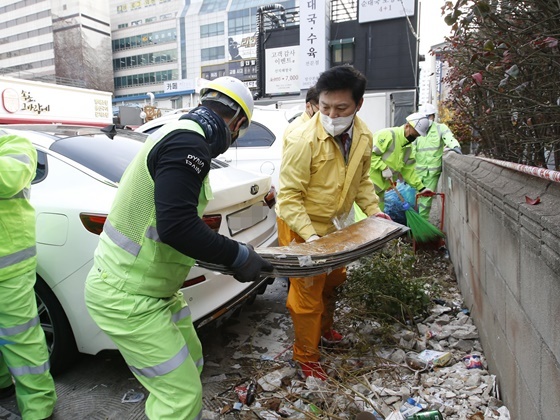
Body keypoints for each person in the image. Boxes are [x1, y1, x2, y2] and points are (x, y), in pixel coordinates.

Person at [84, 76, 273, 420]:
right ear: (238, 123)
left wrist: (231, 260)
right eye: (238, 133)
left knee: (192, 362)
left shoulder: (179, 135)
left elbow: (168, 226)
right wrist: (238, 256)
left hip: (154, 291)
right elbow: (177, 226)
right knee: (180, 397)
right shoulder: (188, 144)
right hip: (129, 296)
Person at [276, 65, 390, 381]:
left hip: (334, 226)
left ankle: (324, 331)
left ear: (358, 105)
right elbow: (288, 197)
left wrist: (374, 211)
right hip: (301, 226)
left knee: (333, 280)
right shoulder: (302, 139)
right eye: (325, 107)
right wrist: (311, 237)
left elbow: (362, 180)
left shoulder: (364, 136)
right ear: (317, 103)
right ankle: (306, 357)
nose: (331, 114)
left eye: (341, 108)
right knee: (307, 295)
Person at [0, 134, 57, 420]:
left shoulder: (14, 144)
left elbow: (9, 178)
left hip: (8, 269)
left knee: (21, 339)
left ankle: (39, 409)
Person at [367, 112, 435, 211]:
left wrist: (421, 188)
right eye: (414, 134)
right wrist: (383, 167)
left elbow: (408, 171)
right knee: (364, 220)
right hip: (367, 185)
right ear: (407, 126)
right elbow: (368, 154)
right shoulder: (388, 135)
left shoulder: (408, 147)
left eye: (417, 136)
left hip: (381, 189)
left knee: (377, 218)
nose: (414, 138)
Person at [414, 103, 462, 220]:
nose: (428, 119)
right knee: (414, 199)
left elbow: (449, 138)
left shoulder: (440, 128)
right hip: (416, 171)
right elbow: (411, 149)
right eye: (425, 117)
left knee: (425, 200)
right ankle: (414, 226)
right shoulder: (418, 130)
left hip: (432, 172)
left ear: (433, 116)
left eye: (429, 116)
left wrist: (455, 146)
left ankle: (422, 225)